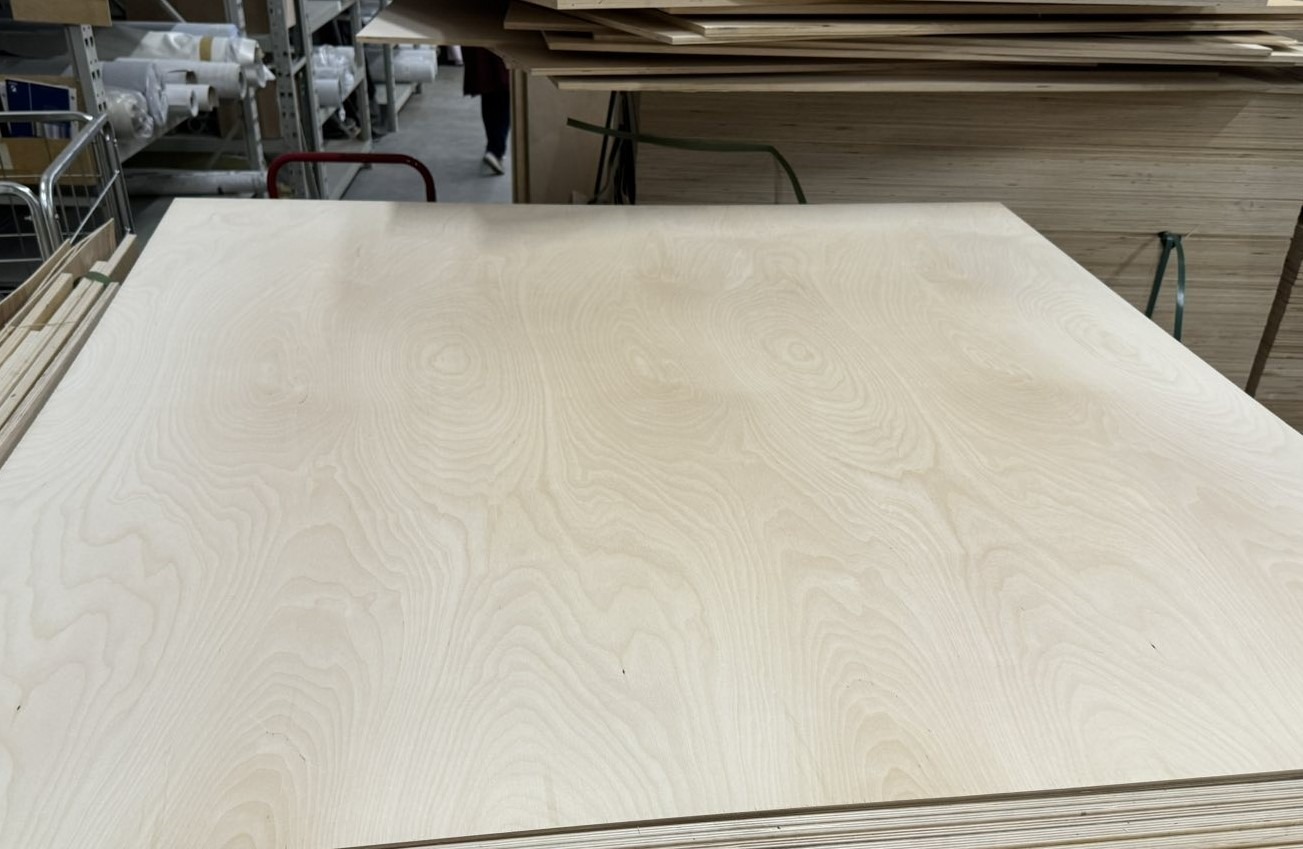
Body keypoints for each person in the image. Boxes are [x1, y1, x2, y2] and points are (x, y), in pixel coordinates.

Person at [461, 47, 510, 176]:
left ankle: (494, 148)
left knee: (490, 92)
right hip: (498, 41)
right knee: (505, 92)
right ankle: (495, 150)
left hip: (480, 42)